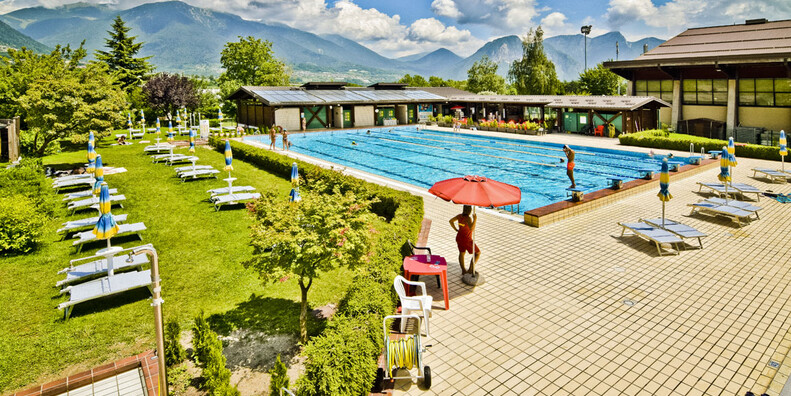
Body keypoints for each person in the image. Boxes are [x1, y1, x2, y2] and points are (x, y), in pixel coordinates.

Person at [449, 205, 480, 276]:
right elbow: (472, 228)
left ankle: (463, 270)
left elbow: (450, 221)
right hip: (467, 239)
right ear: (470, 210)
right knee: (477, 253)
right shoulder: (468, 218)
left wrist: (456, 229)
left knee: (462, 253)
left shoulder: (459, 216)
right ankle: (470, 269)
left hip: (459, 237)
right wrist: (475, 219)